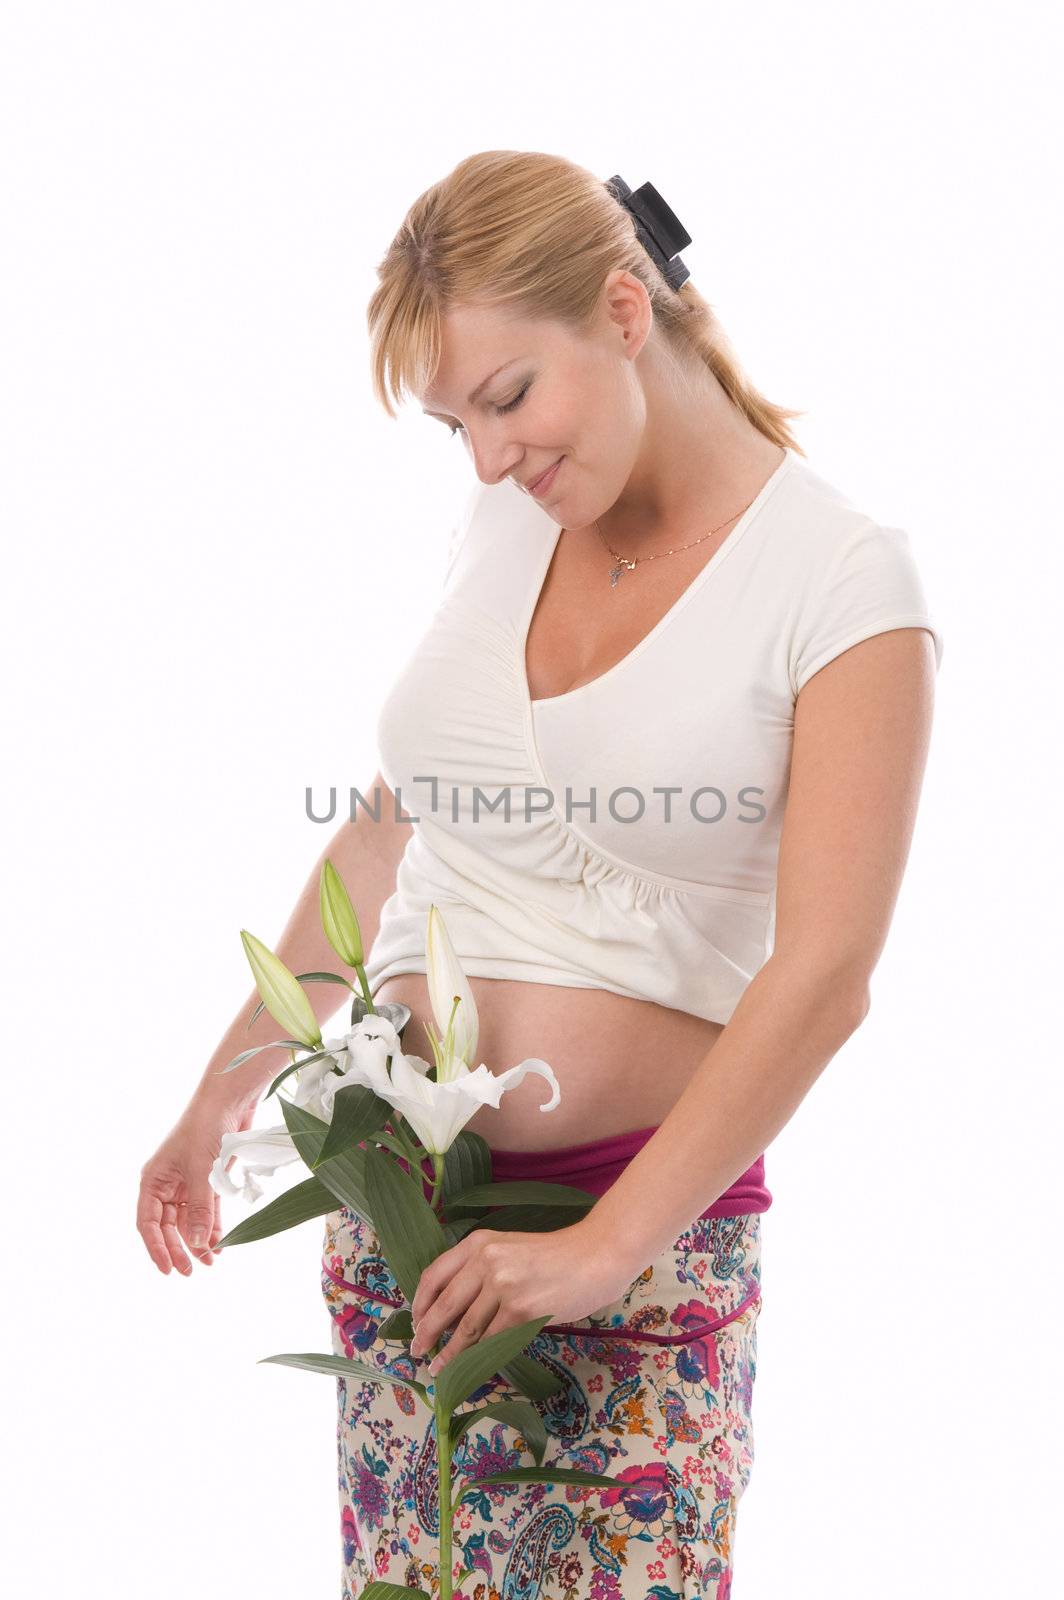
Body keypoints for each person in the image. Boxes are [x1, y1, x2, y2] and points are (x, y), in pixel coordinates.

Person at [138, 151, 943, 1599]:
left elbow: (827, 975)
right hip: (403, 1230)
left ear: (628, 312)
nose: (491, 460)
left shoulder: (844, 583)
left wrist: (598, 1251)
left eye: (507, 400)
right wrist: (222, 1089)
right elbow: (388, 834)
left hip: (636, 1253)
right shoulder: (516, 516)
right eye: (457, 426)